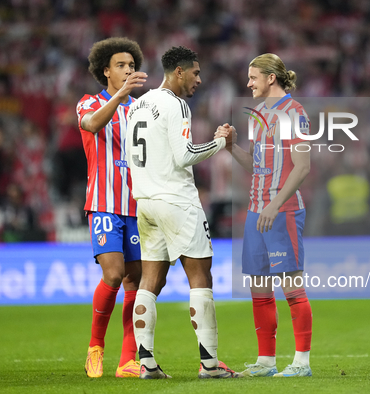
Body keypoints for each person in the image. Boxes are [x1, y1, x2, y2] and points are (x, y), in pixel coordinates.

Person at [125, 46, 239, 379]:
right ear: (179, 71)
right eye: (195, 73)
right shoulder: (176, 104)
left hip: (144, 200)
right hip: (176, 199)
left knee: (150, 280)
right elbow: (185, 155)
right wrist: (220, 143)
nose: (199, 80)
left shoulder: (138, 105)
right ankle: (210, 364)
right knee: (201, 277)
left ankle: (145, 363)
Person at [226, 53, 313, 377]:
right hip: (255, 210)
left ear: (270, 78)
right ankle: (266, 361)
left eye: (253, 77)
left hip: (283, 211)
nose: (248, 83)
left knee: (291, 287)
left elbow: (302, 167)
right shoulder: (258, 114)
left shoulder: (295, 113)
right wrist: (231, 147)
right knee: (259, 288)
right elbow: (257, 166)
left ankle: (301, 363)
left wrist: (274, 205)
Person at [77, 37, 155, 378]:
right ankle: (96, 348)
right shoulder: (88, 102)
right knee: (112, 273)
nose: (128, 70)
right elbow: (92, 125)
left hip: (136, 206)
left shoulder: (141, 110)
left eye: (131, 66)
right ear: (105, 70)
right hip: (104, 204)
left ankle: (128, 360)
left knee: (134, 281)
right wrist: (122, 95)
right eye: (121, 65)